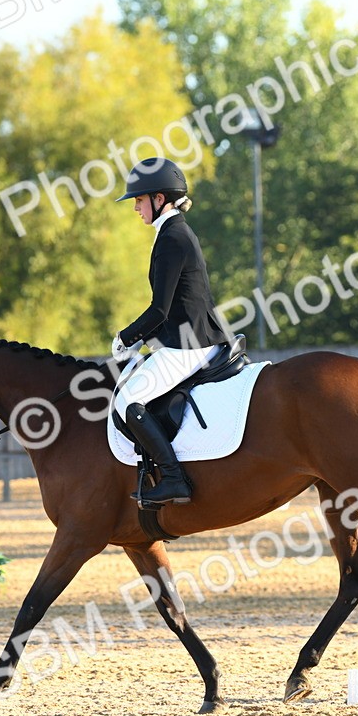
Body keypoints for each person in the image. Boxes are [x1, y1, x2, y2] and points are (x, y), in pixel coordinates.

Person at [111, 158, 231, 504]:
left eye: (139, 200)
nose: (136, 208)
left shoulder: (172, 238)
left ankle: (174, 478)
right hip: (184, 338)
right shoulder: (172, 233)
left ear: (159, 199)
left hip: (190, 344)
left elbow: (160, 310)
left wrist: (126, 338)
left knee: (128, 401)